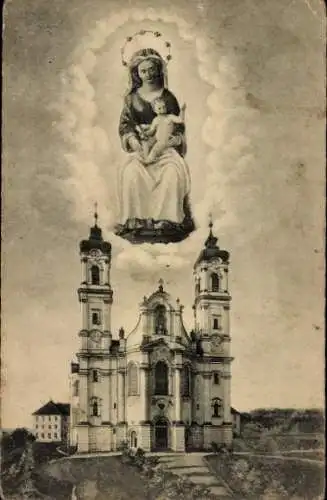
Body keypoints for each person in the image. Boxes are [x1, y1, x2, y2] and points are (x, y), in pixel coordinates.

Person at [117, 48, 194, 242]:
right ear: (137, 73)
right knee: (131, 172)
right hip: (141, 147)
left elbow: (179, 128)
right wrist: (135, 143)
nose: (148, 74)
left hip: (165, 150)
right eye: (144, 71)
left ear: (159, 70)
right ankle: (136, 220)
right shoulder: (131, 98)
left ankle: (167, 220)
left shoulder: (168, 97)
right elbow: (126, 126)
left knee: (172, 173)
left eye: (152, 69)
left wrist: (174, 140)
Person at [141, 98, 186, 165]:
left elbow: (180, 120)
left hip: (167, 140)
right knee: (150, 146)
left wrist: (182, 110)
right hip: (160, 141)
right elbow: (152, 131)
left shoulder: (170, 117)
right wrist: (146, 133)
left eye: (164, 107)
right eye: (159, 108)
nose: (162, 110)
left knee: (155, 150)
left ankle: (148, 160)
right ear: (154, 110)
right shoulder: (156, 120)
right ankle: (148, 158)